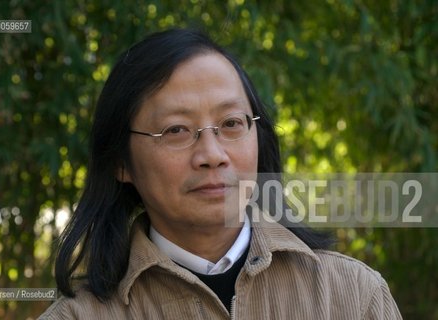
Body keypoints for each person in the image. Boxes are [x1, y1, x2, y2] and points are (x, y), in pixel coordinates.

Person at [39, 28, 402, 319]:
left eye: (231, 123)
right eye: (176, 130)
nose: (212, 156)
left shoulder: (352, 296)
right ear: (121, 162)